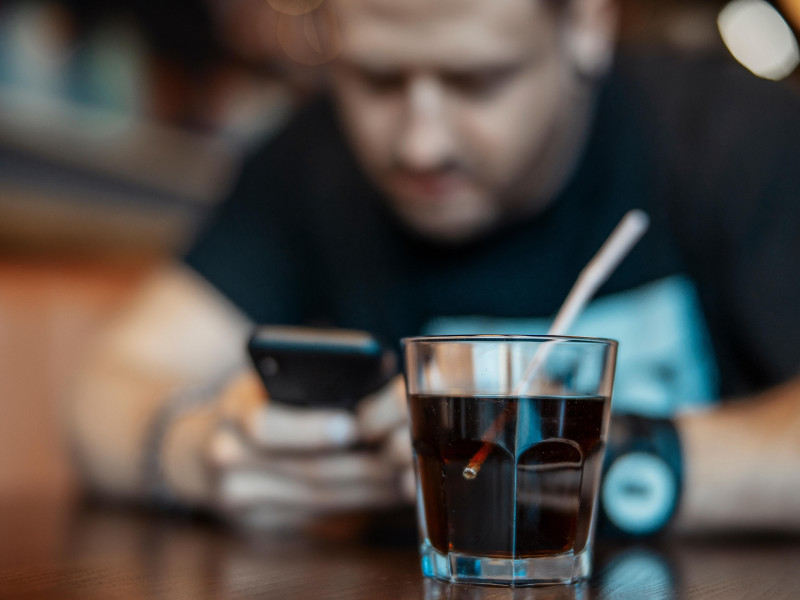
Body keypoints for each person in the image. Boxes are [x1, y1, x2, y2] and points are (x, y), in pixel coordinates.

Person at [67, 0, 800, 536]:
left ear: (584, 25)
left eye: (477, 81)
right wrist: (203, 454)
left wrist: (604, 461)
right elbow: (109, 387)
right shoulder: (306, 162)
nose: (420, 145)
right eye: (376, 81)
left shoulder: (739, 137)